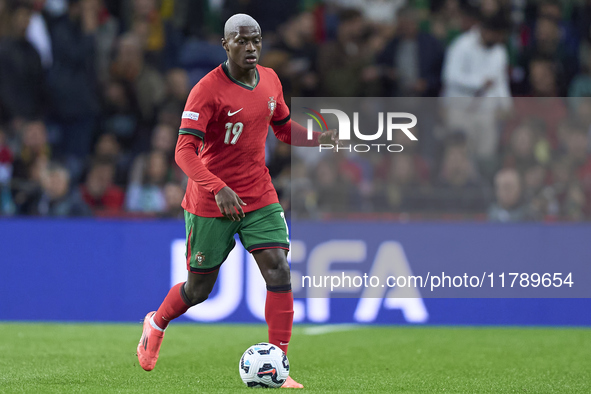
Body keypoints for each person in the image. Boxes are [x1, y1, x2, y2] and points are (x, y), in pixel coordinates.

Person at [136, 14, 338, 389]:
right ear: (225, 45)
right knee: (198, 291)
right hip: (211, 201)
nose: (250, 48)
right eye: (241, 41)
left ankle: (280, 364)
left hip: (258, 193)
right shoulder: (207, 90)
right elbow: (184, 151)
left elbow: (281, 127)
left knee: (278, 268)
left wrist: (318, 138)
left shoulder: (272, 80)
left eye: (256, 40)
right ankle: (157, 322)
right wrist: (216, 187)